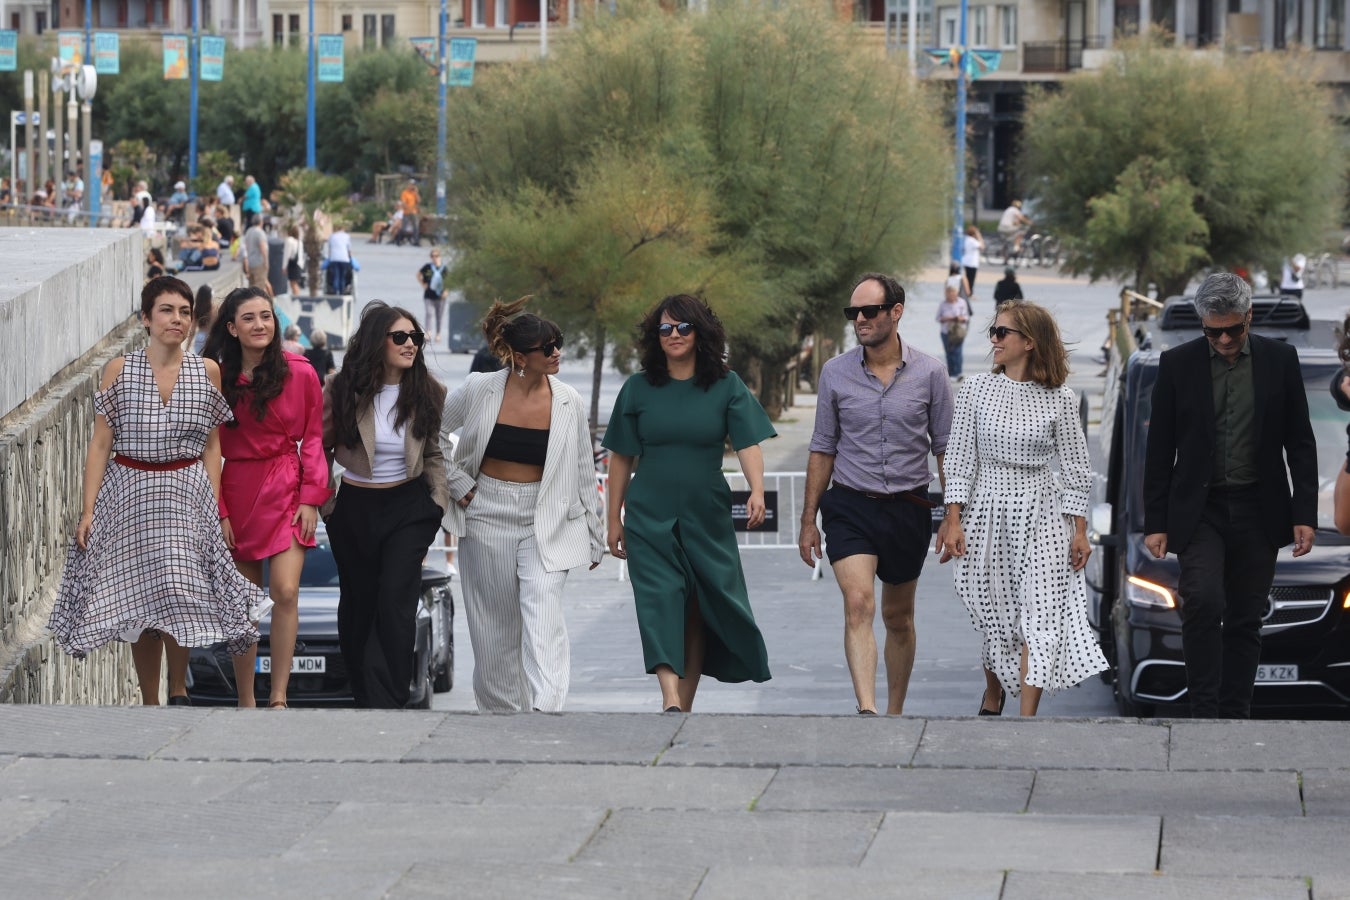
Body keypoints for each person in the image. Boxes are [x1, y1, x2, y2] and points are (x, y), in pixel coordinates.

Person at [48, 276, 262, 705]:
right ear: (146, 318)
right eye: (167, 311)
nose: (177, 320)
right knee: (138, 600)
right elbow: (100, 444)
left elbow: (212, 443)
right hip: (128, 494)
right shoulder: (119, 370)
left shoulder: (208, 371)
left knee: (178, 591)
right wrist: (88, 510)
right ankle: (151, 700)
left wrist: (211, 504)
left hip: (185, 494)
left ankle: (178, 689)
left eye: (185, 312)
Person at [1142, 272, 1318, 718]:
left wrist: (1305, 513)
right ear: (1202, 324)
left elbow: (1299, 441)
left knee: (1245, 615)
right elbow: (1159, 447)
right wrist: (1156, 521)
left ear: (1249, 317)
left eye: (1232, 329)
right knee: (1201, 598)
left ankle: (1235, 712)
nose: (1223, 339)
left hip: (1260, 507)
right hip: (1201, 510)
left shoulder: (1280, 360)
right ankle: (1203, 710)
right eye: (1212, 331)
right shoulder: (1178, 364)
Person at [604, 294, 776, 712]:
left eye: (683, 327)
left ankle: (684, 703)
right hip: (649, 511)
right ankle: (668, 697)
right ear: (654, 337)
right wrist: (613, 520)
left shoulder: (726, 385)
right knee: (660, 598)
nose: (674, 335)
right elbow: (621, 459)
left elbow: (748, 441)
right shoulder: (637, 389)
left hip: (708, 511)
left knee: (701, 606)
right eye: (665, 329)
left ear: (701, 332)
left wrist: (756, 488)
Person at [936, 301, 1108, 716]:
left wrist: (1080, 530)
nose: (993, 340)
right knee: (998, 613)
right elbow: (959, 460)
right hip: (988, 508)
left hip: (1042, 512)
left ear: (1028, 342)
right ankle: (992, 688)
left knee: (1040, 616)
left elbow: (1076, 468)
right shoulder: (975, 390)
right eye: (992, 332)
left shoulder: (1061, 398)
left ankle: (1025, 722)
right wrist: (953, 520)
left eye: (1001, 333)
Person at [798, 273, 952, 715]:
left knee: (898, 618)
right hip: (850, 505)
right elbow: (823, 446)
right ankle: (866, 710)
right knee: (859, 603)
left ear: (895, 312)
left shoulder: (930, 373)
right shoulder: (835, 373)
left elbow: (945, 448)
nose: (859, 320)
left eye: (869, 311)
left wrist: (954, 515)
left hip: (908, 508)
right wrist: (809, 520)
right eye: (853, 313)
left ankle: (894, 712)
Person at [440, 298, 605, 712]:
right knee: (493, 626)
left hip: (545, 517)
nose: (556, 353)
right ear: (518, 357)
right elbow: (430, 432)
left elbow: (584, 468)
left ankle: (546, 710)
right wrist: (457, 480)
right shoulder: (480, 389)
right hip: (485, 512)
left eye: (558, 344)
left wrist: (596, 533)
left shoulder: (568, 400)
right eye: (546, 348)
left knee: (543, 609)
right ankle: (504, 718)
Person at [202, 287, 332, 708]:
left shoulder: (301, 371)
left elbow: (313, 438)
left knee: (286, 590)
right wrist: (219, 510)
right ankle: (246, 698)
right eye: (249, 318)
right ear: (231, 327)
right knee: (242, 604)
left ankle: (278, 696)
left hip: (288, 486)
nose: (260, 325)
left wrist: (311, 498)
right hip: (237, 487)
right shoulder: (217, 376)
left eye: (266, 316)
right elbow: (209, 449)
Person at [322, 301, 449, 709]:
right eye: (400, 337)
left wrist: (437, 503)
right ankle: (364, 693)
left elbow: (434, 453)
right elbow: (317, 448)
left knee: (396, 600)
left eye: (416, 337)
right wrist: (327, 504)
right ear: (378, 341)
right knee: (359, 603)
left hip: (409, 507)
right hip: (355, 508)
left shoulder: (429, 390)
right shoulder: (343, 388)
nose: (410, 344)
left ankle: (389, 698)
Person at [935, 283, 970, 378]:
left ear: (956, 293)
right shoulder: (943, 304)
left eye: (953, 294)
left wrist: (959, 318)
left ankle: (958, 372)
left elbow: (966, 317)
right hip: (946, 332)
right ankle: (951, 373)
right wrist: (946, 318)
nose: (952, 296)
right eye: (949, 294)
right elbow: (938, 318)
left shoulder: (962, 302)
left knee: (958, 352)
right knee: (949, 353)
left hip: (958, 332)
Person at [418, 248, 449, 343]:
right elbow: (418, 274)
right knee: (429, 313)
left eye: (436, 256)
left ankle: (438, 333)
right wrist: (423, 284)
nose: (435, 258)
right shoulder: (427, 267)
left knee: (439, 315)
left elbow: (449, 281)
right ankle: (428, 332)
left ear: (440, 257)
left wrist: (446, 291)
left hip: (440, 296)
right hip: (429, 295)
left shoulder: (444, 269)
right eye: (433, 256)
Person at [243, 215, 272, 297]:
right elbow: (262, 248)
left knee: (251, 286)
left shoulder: (248, 231)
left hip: (251, 262)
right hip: (259, 262)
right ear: (261, 222)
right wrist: (266, 262)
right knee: (260, 286)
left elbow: (246, 247)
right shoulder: (260, 232)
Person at [326, 223, 353, 295]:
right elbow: (349, 250)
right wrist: (350, 259)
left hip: (334, 258)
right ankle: (342, 291)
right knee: (342, 276)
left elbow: (330, 249)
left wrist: (329, 258)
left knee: (336, 275)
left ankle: (334, 291)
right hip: (344, 259)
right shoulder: (347, 236)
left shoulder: (332, 236)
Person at [189, 284, 215, 354]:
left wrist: (187, 346)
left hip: (199, 337)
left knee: (200, 362)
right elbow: (214, 327)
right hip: (209, 338)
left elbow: (192, 330)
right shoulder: (213, 309)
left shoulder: (196, 309)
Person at [962, 224, 984, 292]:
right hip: (971, 262)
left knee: (968, 278)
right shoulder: (972, 241)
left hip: (966, 261)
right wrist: (979, 236)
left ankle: (968, 292)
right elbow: (982, 247)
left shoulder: (966, 239)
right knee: (971, 279)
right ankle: (969, 293)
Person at [284, 224, 305, 296]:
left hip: (292, 265)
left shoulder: (289, 240)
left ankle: (296, 298)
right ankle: (296, 297)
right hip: (299, 265)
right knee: (295, 283)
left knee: (293, 283)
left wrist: (284, 267)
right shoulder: (299, 242)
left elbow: (287, 255)